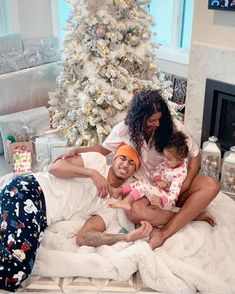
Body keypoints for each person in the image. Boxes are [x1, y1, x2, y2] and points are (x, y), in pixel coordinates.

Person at [58, 89, 220, 249]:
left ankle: (166, 229)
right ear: (139, 118)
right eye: (151, 120)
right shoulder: (124, 129)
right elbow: (103, 150)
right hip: (145, 190)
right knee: (134, 212)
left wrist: (187, 181)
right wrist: (78, 150)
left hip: (175, 186)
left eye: (159, 119)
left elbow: (195, 154)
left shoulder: (173, 127)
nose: (156, 124)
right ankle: (188, 217)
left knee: (211, 185)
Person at [0, 144, 153, 292]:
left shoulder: (112, 205)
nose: (125, 164)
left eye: (131, 162)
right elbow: (55, 168)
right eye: (123, 158)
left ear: (135, 170)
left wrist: (125, 237)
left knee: (22, 260)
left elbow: (84, 237)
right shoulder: (97, 160)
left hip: (42, 215)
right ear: (114, 159)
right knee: (14, 267)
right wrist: (92, 173)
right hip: (31, 189)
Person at [109, 131, 189, 211]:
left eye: (169, 159)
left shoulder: (179, 173)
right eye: (164, 156)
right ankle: (119, 190)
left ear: (180, 160)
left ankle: (127, 202)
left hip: (166, 201)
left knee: (144, 186)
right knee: (141, 182)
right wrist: (158, 180)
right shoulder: (167, 163)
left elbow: (174, 194)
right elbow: (157, 170)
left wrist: (161, 199)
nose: (165, 160)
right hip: (158, 191)